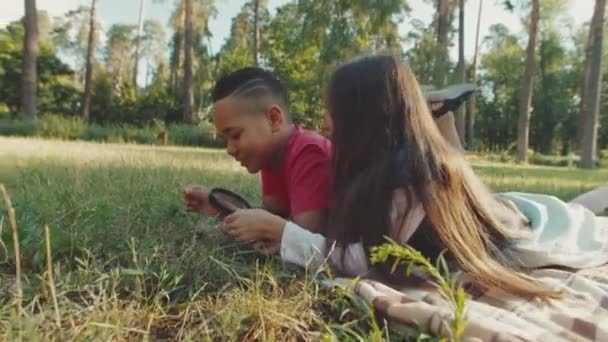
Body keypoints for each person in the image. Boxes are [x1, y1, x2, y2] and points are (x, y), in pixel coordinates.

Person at [220, 54, 608, 299]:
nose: (323, 124)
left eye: (332, 111)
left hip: (536, 226)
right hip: (503, 206)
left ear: (365, 119)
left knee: (589, 221)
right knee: (580, 205)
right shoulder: (381, 174)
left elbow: (360, 259)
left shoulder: (409, 186)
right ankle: (442, 113)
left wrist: (282, 234)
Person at [182, 67, 332, 253]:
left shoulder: (309, 152)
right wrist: (218, 205)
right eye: (225, 140)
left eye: (236, 136)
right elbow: (270, 215)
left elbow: (304, 237)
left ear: (273, 119)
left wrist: (262, 231)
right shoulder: (270, 156)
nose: (229, 149)